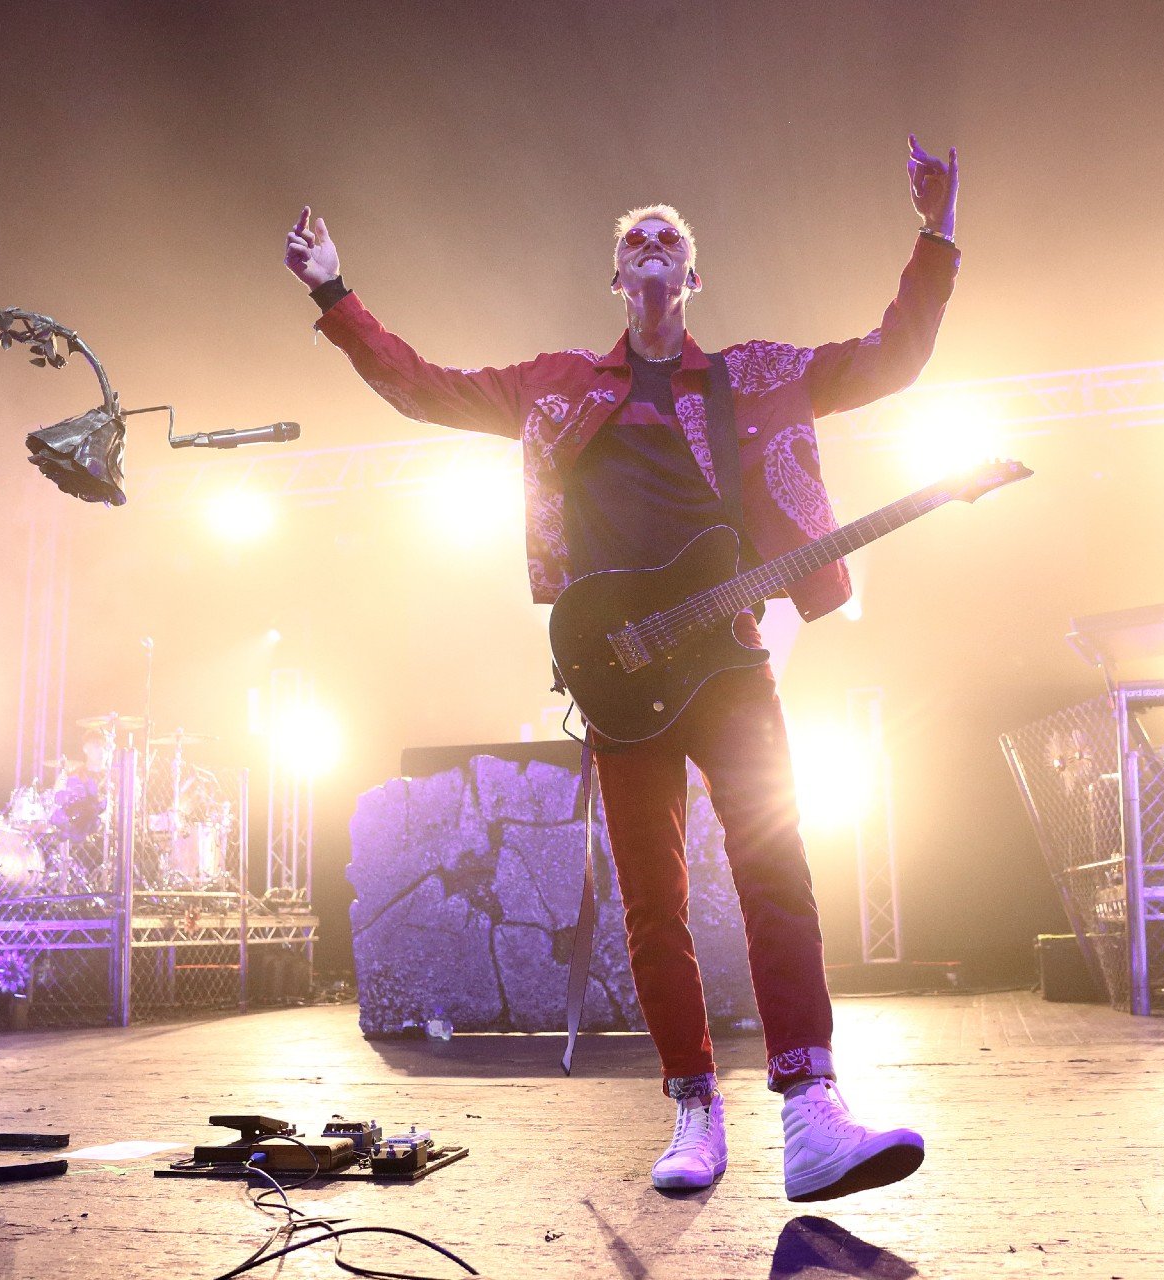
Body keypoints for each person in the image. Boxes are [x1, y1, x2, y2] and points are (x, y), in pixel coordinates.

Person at [283, 135, 961, 1202]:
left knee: (777, 871)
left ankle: (811, 1112)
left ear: (691, 277)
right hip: (619, 666)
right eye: (634, 239)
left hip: (730, 660)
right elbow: (421, 388)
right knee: (653, 899)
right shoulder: (556, 386)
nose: (652, 247)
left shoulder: (755, 377)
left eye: (671, 240)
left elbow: (892, 356)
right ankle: (695, 1103)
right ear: (617, 278)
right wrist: (334, 292)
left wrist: (937, 233)